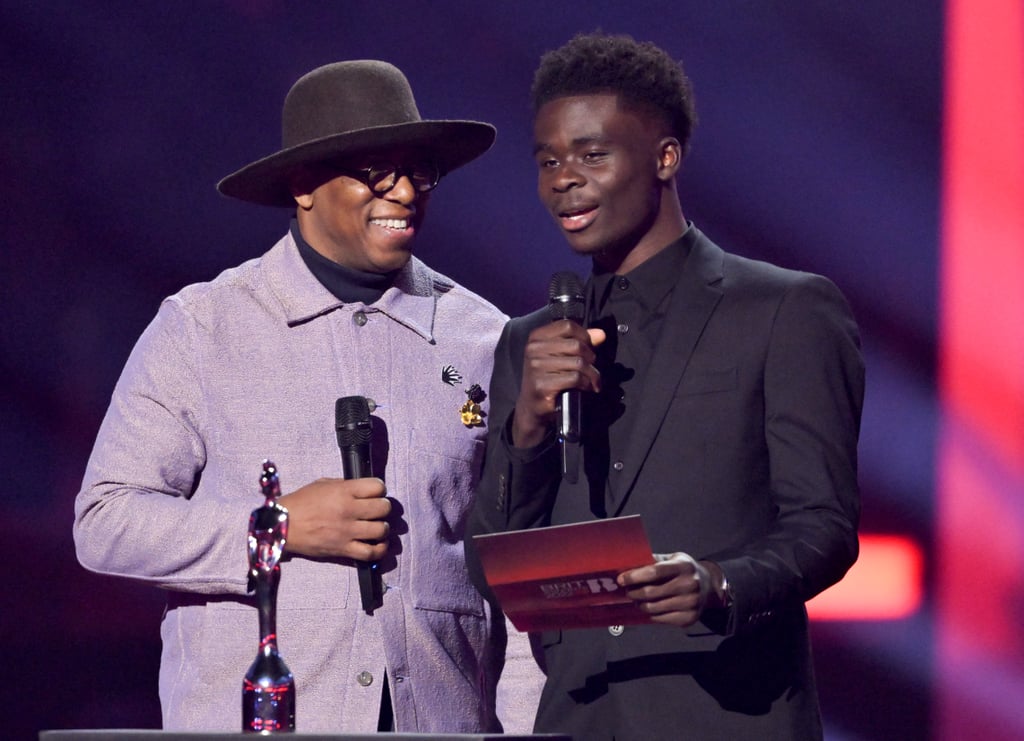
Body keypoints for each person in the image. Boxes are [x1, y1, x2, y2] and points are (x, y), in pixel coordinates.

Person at [74, 60, 541, 734]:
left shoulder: (484, 337)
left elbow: (515, 563)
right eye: (379, 172)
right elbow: (105, 522)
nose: (406, 191)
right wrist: (277, 526)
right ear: (303, 185)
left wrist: (524, 727)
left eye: (419, 170)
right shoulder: (204, 326)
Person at [466, 33, 865, 740]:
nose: (564, 179)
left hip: (727, 710)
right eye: (549, 161)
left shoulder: (782, 309)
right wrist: (527, 426)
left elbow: (824, 526)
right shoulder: (529, 343)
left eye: (592, 155)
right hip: (580, 717)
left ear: (665, 156)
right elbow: (494, 557)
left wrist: (719, 580)